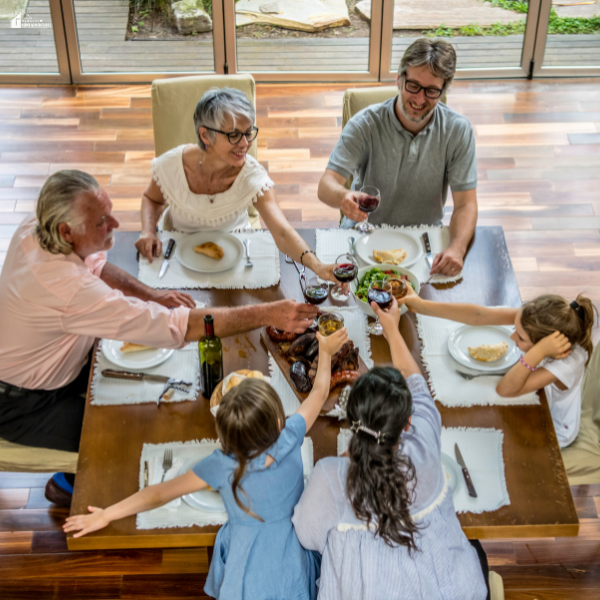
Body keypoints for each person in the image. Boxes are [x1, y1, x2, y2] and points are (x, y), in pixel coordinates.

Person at [0, 170, 317, 507]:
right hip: (24, 403)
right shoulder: (68, 289)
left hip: (58, 361)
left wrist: (151, 293)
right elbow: (174, 327)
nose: (115, 223)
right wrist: (268, 313)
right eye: (101, 222)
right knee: (124, 442)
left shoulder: (37, 226)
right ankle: (71, 484)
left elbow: (93, 264)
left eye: (109, 210)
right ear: (66, 231)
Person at [64, 327, 349, 600]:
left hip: (248, 556)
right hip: (292, 553)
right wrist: (324, 352)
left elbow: (158, 493)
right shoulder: (290, 434)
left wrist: (107, 515)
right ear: (277, 421)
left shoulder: (223, 463)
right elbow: (319, 392)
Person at [292, 297, 489, 599]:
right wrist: (392, 330)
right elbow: (417, 384)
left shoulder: (330, 476)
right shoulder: (424, 439)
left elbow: (307, 535)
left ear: (351, 420)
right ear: (408, 423)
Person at [135, 87, 336, 282]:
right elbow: (151, 199)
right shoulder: (172, 165)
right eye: (233, 135)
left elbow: (283, 233)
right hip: (177, 255)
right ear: (205, 135)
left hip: (236, 260)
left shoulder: (252, 176)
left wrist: (317, 266)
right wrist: (148, 232)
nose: (245, 144)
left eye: (248, 133)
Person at [317, 38, 478, 277]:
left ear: (444, 90)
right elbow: (325, 186)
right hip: (365, 237)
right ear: (399, 79)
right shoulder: (364, 124)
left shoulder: (459, 130)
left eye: (432, 90)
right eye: (413, 85)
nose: (420, 99)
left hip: (423, 240)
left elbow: (466, 204)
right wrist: (343, 196)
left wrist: (457, 248)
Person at [398, 287, 597, 448]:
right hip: (538, 394)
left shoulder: (569, 362)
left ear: (543, 344)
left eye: (520, 337)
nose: (512, 337)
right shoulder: (537, 324)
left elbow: (506, 389)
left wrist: (536, 354)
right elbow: (479, 315)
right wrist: (421, 305)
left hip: (555, 427)